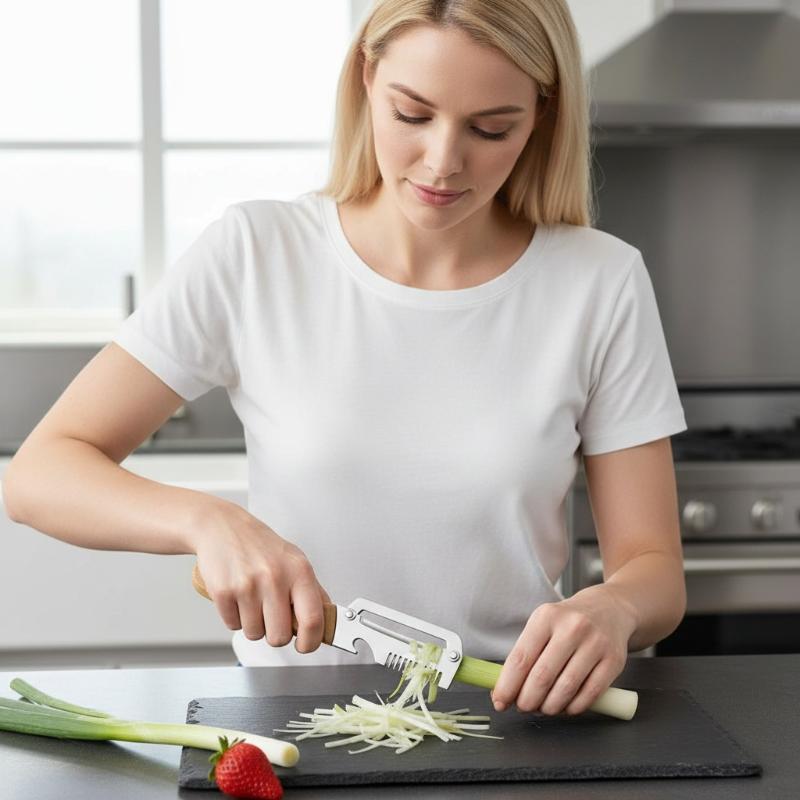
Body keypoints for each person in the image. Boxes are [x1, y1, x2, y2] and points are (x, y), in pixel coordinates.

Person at [2, 0, 687, 718]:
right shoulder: (257, 253)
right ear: (367, 78)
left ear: (542, 115)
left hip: (514, 716)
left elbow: (654, 570)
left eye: (491, 129)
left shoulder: (600, 281)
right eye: (412, 114)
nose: (443, 161)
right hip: (293, 718)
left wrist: (614, 608)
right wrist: (208, 522)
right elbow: (41, 473)